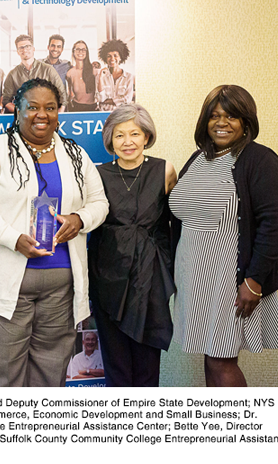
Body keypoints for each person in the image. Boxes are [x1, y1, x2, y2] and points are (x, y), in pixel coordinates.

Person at [0, 78, 108, 387]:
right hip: (3, 285)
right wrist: (13, 239)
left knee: (50, 375)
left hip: (60, 287)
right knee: (4, 376)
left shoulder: (75, 155)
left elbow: (99, 202)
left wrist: (79, 220)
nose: (42, 114)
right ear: (17, 111)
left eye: (50, 108)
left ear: (59, 112)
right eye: (33, 107)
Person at [169, 85, 278, 387]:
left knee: (222, 359)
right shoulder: (198, 158)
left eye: (232, 116)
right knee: (210, 356)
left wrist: (254, 281)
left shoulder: (260, 160)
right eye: (214, 115)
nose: (221, 123)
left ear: (246, 121)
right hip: (194, 279)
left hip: (230, 281)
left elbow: (273, 224)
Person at [88, 103, 177, 387]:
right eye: (120, 135)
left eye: (135, 134)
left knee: (147, 363)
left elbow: (177, 223)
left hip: (150, 277)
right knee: (117, 364)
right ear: (110, 140)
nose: (128, 142)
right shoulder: (97, 174)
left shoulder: (165, 170)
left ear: (146, 137)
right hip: (107, 275)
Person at [2, 35, 68, 113]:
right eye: (21, 47)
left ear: (33, 49)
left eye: (28, 46)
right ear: (17, 51)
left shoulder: (48, 70)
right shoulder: (13, 75)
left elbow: (62, 96)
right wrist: (21, 113)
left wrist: (59, 117)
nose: (25, 50)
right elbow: (6, 100)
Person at [96, 39, 134, 112]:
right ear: (105, 58)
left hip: (121, 114)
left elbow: (127, 100)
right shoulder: (100, 76)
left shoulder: (128, 77)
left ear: (120, 57)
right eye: (109, 56)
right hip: (104, 115)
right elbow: (100, 98)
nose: (112, 59)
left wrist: (107, 101)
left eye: (115, 55)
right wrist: (100, 78)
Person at [66, 40, 97, 112]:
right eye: (77, 49)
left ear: (87, 52)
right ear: (73, 52)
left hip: (92, 108)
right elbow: (69, 94)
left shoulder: (94, 70)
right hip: (76, 108)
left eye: (83, 50)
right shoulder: (70, 73)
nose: (80, 52)